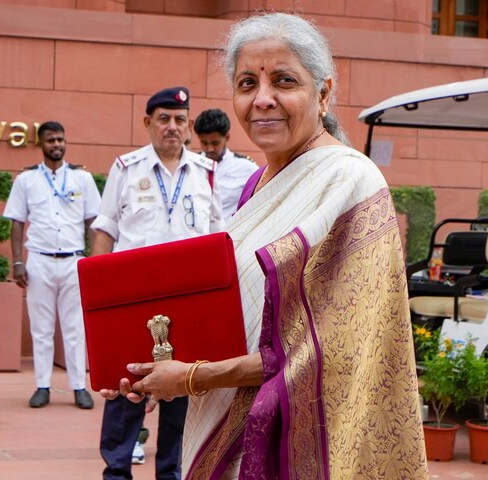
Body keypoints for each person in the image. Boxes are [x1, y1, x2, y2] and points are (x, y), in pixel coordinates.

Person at [102, 13, 428, 479]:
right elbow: (231, 315)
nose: (263, 99)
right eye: (247, 82)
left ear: (323, 90)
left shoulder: (351, 181)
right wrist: (151, 367)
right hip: (227, 420)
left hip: (300, 444)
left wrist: (191, 377)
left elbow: (331, 348)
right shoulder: (257, 184)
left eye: (284, 80)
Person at [91, 86, 224, 480]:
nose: (172, 127)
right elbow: (105, 230)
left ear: (189, 127)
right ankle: (116, 471)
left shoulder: (206, 173)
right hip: (135, 298)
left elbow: (218, 237)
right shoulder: (126, 168)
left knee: (182, 388)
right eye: (163, 119)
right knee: (127, 383)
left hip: (188, 299)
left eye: (179, 120)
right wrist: (99, 301)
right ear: (148, 123)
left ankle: (172, 473)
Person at [3, 121, 100, 410]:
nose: (56, 144)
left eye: (60, 139)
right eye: (50, 140)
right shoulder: (26, 181)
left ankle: (79, 387)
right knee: (41, 328)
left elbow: (94, 222)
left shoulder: (81, 178)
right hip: (40, 262)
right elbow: (17, 222)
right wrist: (18, 261)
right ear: (40, 144)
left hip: (73, 261)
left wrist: (93, 261)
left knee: (75, 328)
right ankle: (42, 386)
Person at [193, 109, 258, 221]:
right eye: (204, 143)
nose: (210, 149)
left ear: (227, 137)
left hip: (227, 235)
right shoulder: (191, 164)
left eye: (215, 143)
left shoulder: (246, 168)